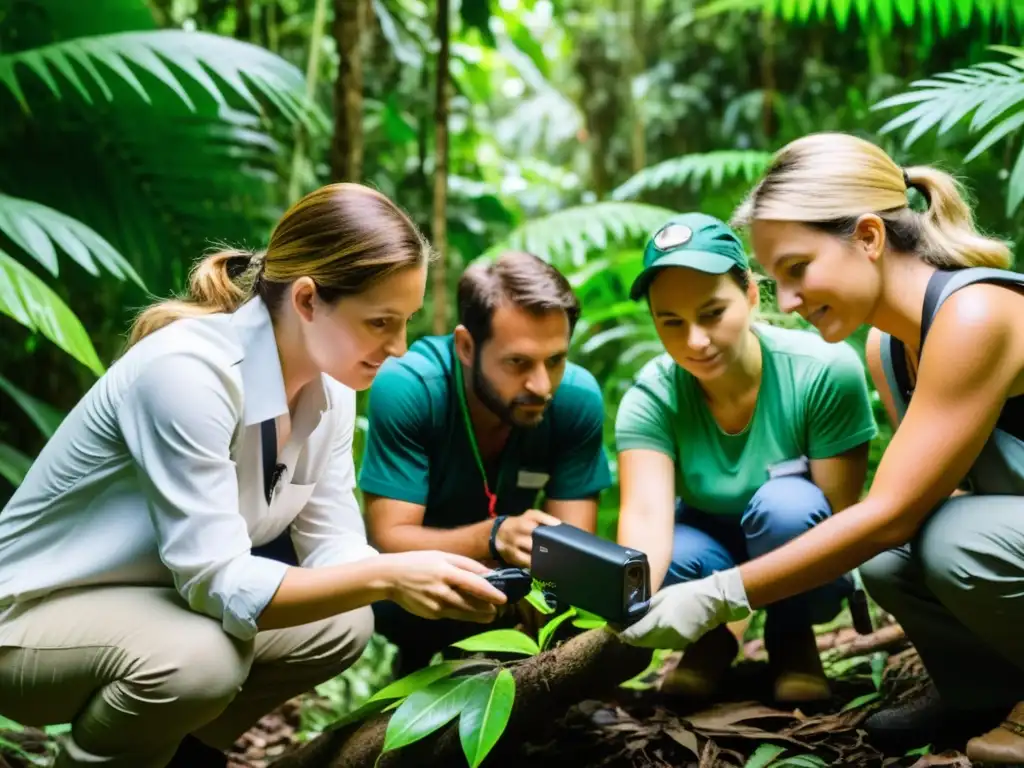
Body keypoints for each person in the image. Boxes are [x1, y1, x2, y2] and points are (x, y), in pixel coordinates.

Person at [0, 183, 507, 768]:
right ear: (309, 300)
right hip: (30, 621)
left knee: (343, 623)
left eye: (407, 321)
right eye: (380, 322)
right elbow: (214, 580)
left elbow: (333, 545)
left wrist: (426, 578)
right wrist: (391, 574)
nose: (399, 347)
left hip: (156, 605)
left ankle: (184, 754)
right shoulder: (187, 372)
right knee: (200, 660)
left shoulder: (332, 389)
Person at [618, 132, 1024, 763]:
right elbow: (916, 507)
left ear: (868, 237)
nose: (787, 302)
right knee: (894, 557)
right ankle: (982, 692)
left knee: (950, 539)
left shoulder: (976, 314)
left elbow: (888, 510)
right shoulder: (888, 349)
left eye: (797, 269)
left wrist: (722, 594)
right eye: (775, 279)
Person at [615, 212, 877, 703]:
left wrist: (736, 593)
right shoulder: (651, 396)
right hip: (707, 542)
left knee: (788, 508)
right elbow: (646, 521)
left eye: (712, 313)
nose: (694, 340)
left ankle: (791, 637)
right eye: (670, 322)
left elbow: (840, 519)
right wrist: (633, 612)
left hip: (801, 547)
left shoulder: (823, 372)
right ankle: (712, 645)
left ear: (753, 295)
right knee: (660, 561)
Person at [359, 250, 613, 674]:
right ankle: (417, 663)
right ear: (465, 346)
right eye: (518, 362)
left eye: (555, 360)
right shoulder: (411, 387)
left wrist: (550, 589)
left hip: (519, 593)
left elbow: (574, 549)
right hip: (417, 592)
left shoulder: (576, 399)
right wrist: (495, 536)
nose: (541, 385)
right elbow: (389, 539)